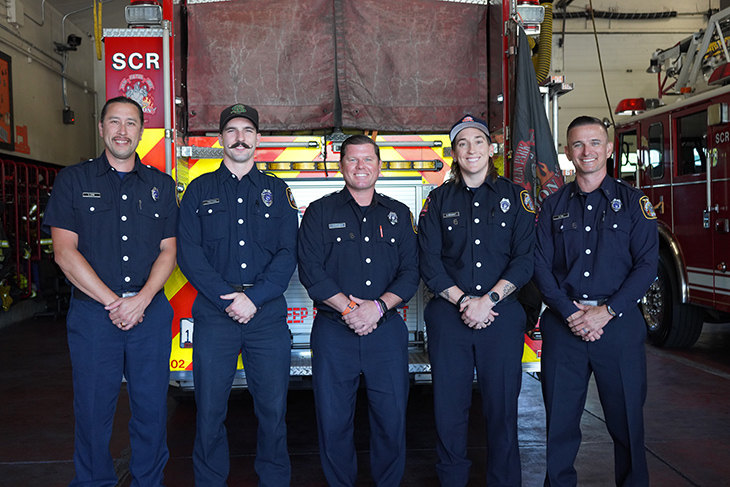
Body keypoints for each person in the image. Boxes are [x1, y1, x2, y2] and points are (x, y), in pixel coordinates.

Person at [42, 96, 178, 486]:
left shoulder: (160, 186)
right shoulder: (73, 180)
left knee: (151, 410)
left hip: (149, 314)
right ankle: (93, 482)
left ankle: (148, 481)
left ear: (141, 130)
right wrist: (115, 303)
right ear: (101, 128)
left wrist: (142, 300)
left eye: (131, 123)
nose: (122, 131)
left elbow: (169, 251)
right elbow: (64, 253)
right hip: (93, 316)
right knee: (92, 410)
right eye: (114, 122)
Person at [177, 104, 298, 487]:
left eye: (247, 130)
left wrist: (255, 298)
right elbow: (189, 254)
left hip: (265, 315)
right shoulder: (199, 190)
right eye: (231, 130)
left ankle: (274, 480)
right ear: (221, 139)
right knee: (210, 409)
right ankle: (210, 481)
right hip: (215, 314)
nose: (240, 137)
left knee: (273, 410)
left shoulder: (277, 191)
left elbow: (287, 253)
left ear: (258, 139)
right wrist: (226, 297)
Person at [533, 116, 658, 487]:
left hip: (618, 326)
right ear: (568, 152)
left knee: (627, 425)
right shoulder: (552, 206)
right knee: (560, 426)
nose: (586, 151)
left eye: (594, 143)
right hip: (564, 324)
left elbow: (647, 265)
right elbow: (540, 267)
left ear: (608, 148)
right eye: (577, 145)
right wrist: (572, 313)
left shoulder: (635, 204)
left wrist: (607, 311)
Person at [418, 115, 535, 487]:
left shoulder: (516, 198)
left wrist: (490, 299)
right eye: (463, 143)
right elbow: (429, 261)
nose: (472, 149)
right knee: (449, 409)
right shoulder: (438, 199)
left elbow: (525, 258)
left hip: (502, 315)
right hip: (450, 317)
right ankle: (452, 479)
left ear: (491, 148)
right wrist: (466, 301)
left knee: (502, 410)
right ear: (454, 152)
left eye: (478, 141)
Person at [297, 134, 419, 487]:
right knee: (333, 422)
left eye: (368, 159)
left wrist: (378, 308)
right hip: (335, 333)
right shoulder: (320, 212)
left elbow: (411, 272)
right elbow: (311, 270)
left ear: (380, 166)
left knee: (391, 420)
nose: (360, 166)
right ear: (341, 166)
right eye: (352, 160)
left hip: (386, 332)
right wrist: (352, 309)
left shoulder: (399, 214)